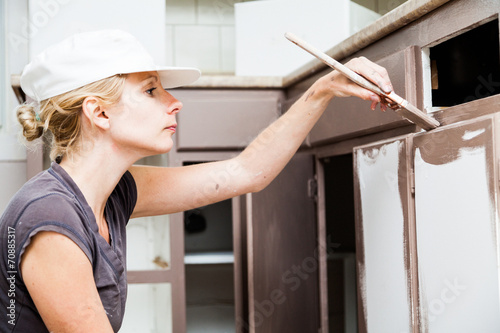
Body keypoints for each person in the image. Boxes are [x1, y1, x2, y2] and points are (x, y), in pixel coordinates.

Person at [0, 29, 393, 332]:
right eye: (151, 90)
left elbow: (245, 173)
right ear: (99, 113)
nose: (174, 101)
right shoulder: (51, 219)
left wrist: (323, 89)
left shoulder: (114, 192)